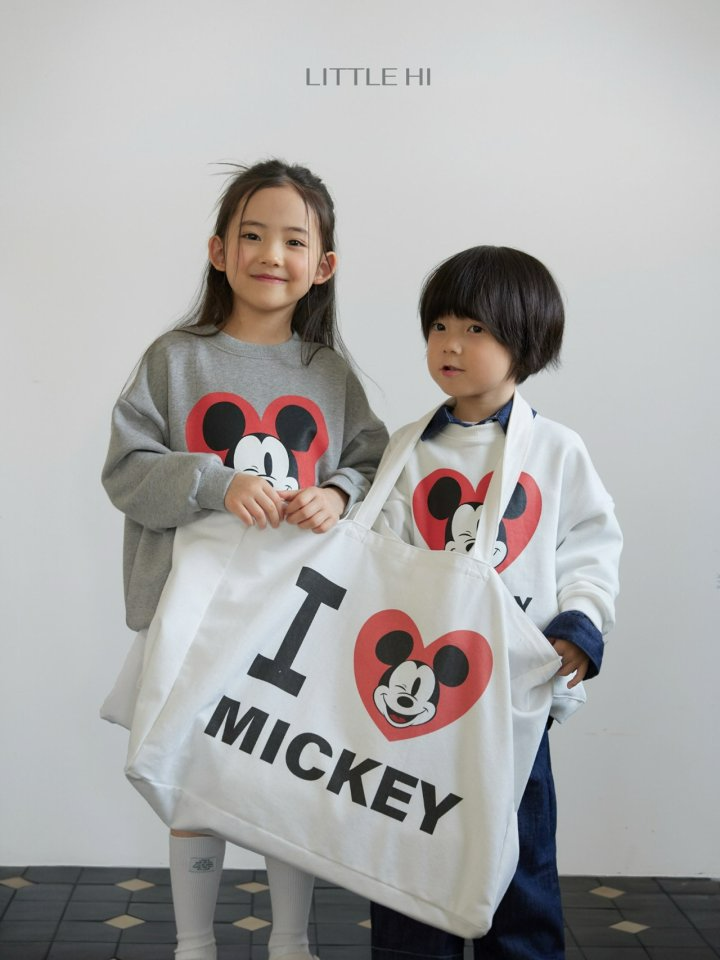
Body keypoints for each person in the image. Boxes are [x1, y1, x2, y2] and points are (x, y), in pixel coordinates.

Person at [101, 159, 388, 960]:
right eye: (252, 235)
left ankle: (290, 942)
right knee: (195, 780)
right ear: (218, 251)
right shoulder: (175, 360)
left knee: (282, 784)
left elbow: (373, 465)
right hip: (192, 620)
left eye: (294, 241)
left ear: (323, 265)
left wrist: (337, 492)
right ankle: (194, 943)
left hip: (292, 628)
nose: (271, 254)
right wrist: (216, 482)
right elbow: (125, 472)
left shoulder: (328, 374)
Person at [371, 246, 622, 960]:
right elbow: (378, 556)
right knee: (405, 856)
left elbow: (590, 547)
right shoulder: (408, 450)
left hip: (512, 696)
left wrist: (579, 625)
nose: (451, 344)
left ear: (526, 342)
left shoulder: (557, 451)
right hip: (418, 695)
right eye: (440, 326)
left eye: (475, 329)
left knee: (519, 863)